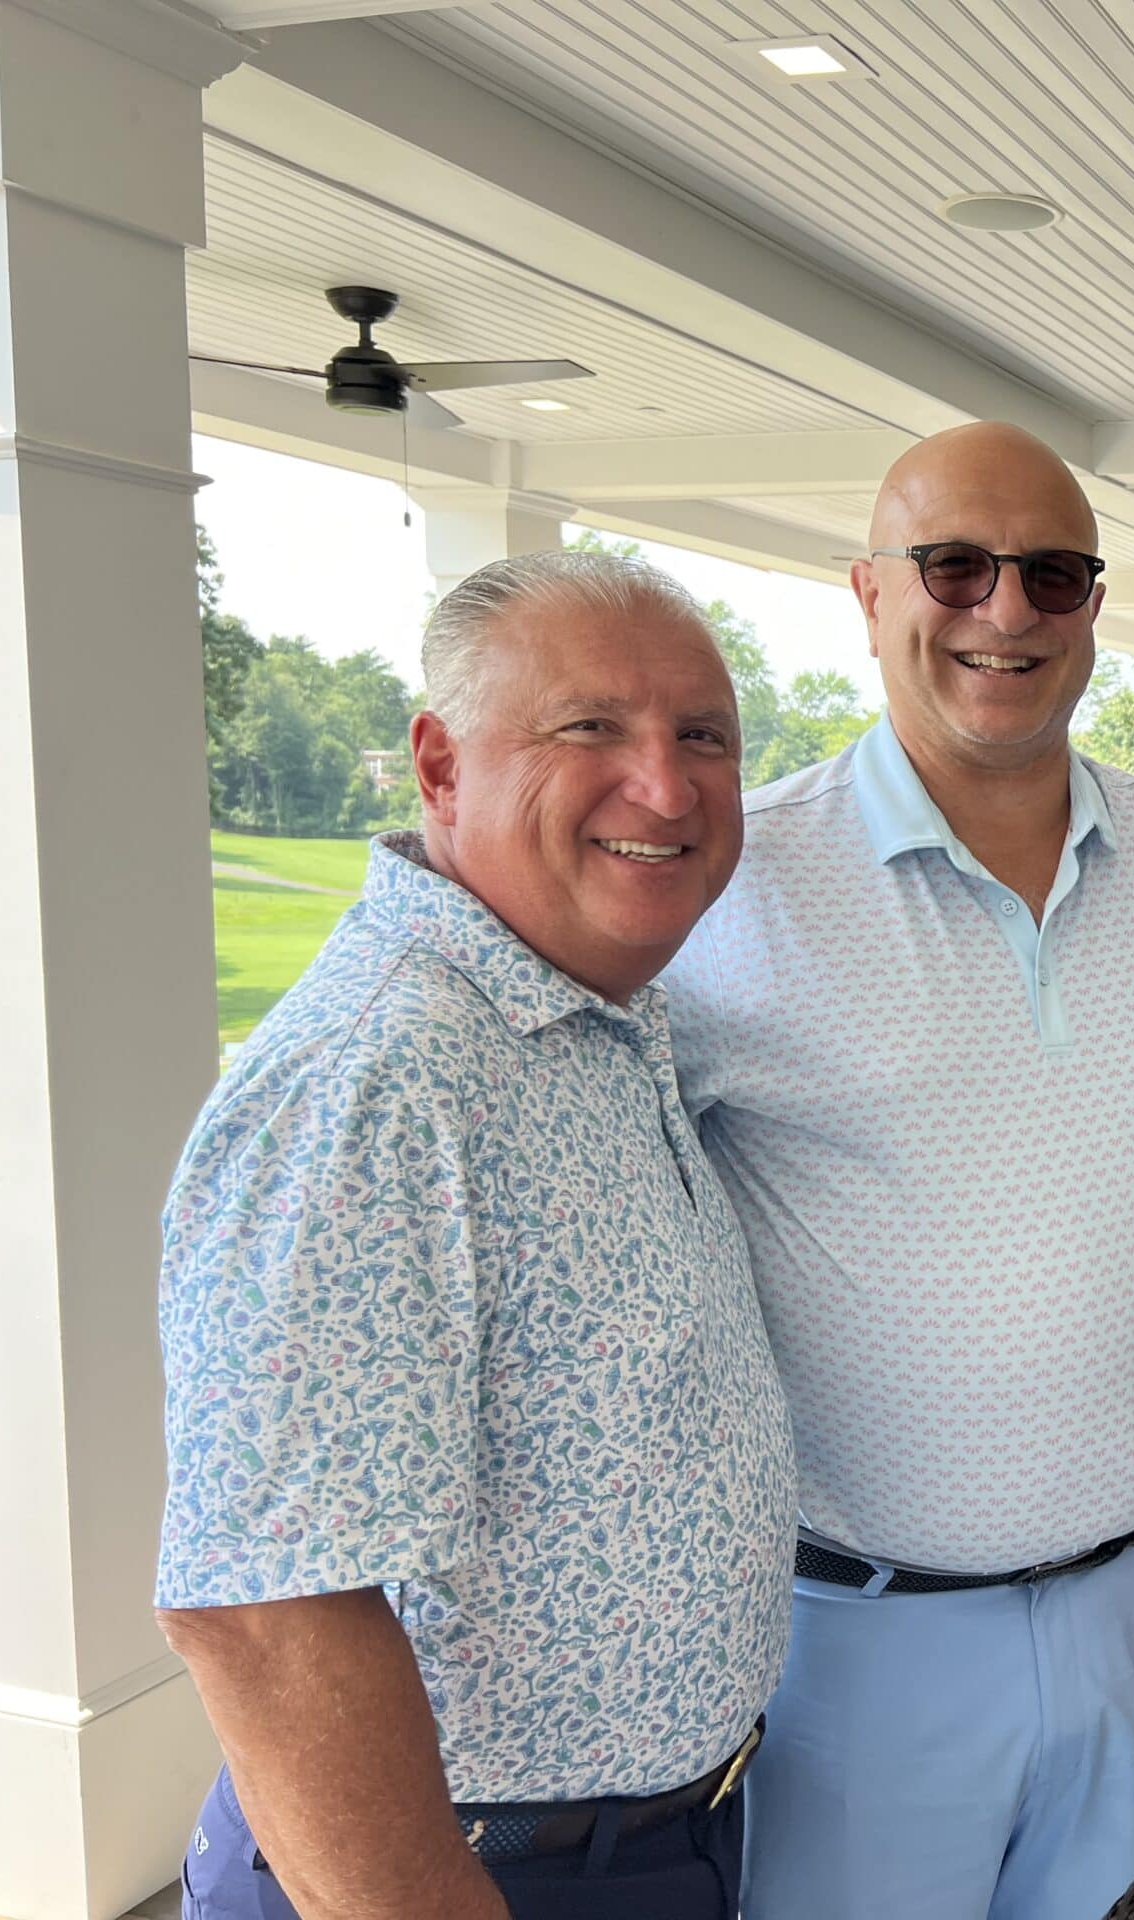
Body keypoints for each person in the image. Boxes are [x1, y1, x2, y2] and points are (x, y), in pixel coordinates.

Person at [155, 550, 796, 1919]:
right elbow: (263, 1612)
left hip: (645, 1841)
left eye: (704, 737)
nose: (666, 786)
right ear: (441, 768)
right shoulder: (377, 1081)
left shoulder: (592, 1010)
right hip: (468, 1871)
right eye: (591, 728)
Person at [658, 422, 1134, 1920]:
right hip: (856, 1642)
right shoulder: (734, 885)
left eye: (1053, 574)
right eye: (955, 567)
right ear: (868, 594)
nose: (1006, 610)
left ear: (1093, 603)